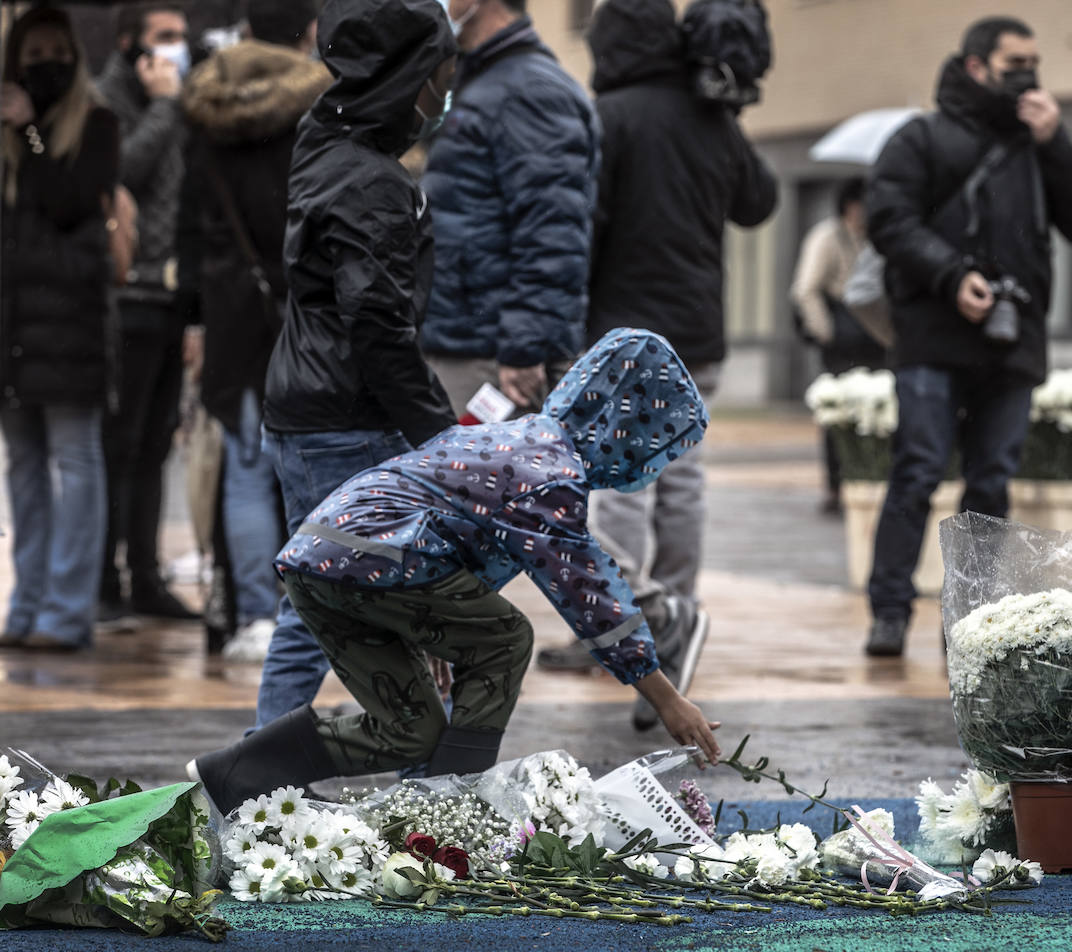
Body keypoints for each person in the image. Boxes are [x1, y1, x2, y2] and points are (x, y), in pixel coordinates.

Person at [189, 330, 722, 811]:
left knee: (411, 730)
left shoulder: (519, 437)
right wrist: (667, 699)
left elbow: (446, 526)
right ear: (624, 426)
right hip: (373, 561)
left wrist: (434, 633)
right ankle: (451, 814)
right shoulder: (550, 469)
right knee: (507, 639)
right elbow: (590, 599)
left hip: (319, 562)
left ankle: (236, 771)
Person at [533, 0, 777, 736]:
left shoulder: (610, 115)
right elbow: (760, 203)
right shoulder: (710, 112)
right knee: (683, 480)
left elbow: (586, 228)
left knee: (617, 484)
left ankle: (632, 624)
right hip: (698, 331)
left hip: (623, 335)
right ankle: (672, 609)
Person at [862, 16, 1072, 656]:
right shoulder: (920, 137)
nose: (1028, 74)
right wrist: (952, 277)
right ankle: (889, 612)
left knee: (992, 483)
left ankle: (972, 621)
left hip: (1012, 341)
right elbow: (889, 221)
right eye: (1014, 64)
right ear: (976, 67)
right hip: (931, 337)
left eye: (1035, 62)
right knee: (917, 470)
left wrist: (1055, 140)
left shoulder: (1037, 141)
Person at [251, 0, 460, 730]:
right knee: (327, 603)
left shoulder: (330, 145)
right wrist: (443, 432)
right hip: (344, 417)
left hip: (321, 408)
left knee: (336, 598)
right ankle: (252, 780)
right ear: (407, 75)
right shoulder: (368, 180)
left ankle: (425, 767)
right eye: (439, 69)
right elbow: (378, 327)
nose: (446, 86)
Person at [177, 0, 330, 660]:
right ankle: (312, 615)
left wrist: (193, 317)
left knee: (242, 467)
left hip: (230, 308)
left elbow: (188, 223)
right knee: (303, 469)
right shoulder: (317, 110)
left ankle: (252, 618)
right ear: (306, 32)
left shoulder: (206, 106)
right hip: (301, 308)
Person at [0, 6, 120, 653]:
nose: (45, 62)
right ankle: (25, 604)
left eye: (55, 51)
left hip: (70, 327)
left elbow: (71, 200)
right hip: (14, 329)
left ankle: (68, 609)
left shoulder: (95, 124)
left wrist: (34, 135)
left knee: (75, 464)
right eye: (32, 51)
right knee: (21, 469)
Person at [420, 0, 598, 416]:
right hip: (468, 344)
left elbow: (552, 231)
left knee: (479, 481)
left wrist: (524, 347)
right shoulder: (484, 80)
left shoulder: (530, 90)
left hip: (495, 360)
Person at [95, 1, 199, 626]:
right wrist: (165, 106)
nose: (175, 50)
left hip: (170, 296)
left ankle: (148, 574)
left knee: (157, 444)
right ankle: (105, 577)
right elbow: (122, 171)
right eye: (164, 38)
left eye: (182, 38)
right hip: (123, 298)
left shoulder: (182, 103)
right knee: (119, 444)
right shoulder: (103, 100)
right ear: (132, 44)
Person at [791, 176, 888, 513]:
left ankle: (871, 476)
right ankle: (837, 484)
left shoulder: (877, 237)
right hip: (841, 340)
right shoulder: (827, 237)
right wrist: (826, 332)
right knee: (838, 412)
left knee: (878, 408)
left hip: (877, 337)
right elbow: (806, 289)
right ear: (849, 205)